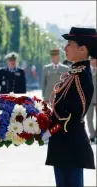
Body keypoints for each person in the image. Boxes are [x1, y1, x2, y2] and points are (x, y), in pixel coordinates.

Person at [42, 27, 97, 187]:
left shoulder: (81, 76)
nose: (65, 48)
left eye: (69, 44)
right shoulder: (75, 73)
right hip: (64, 142)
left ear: (83, 49)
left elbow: (72, 115)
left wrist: (49, 128)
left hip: (69, 142)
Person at [86, 57, 96, 143]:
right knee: (89, 118)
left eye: (94, 59)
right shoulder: (87, 71)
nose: (93, 61)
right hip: (89, 99)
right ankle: (92, 135)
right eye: (91, 59)